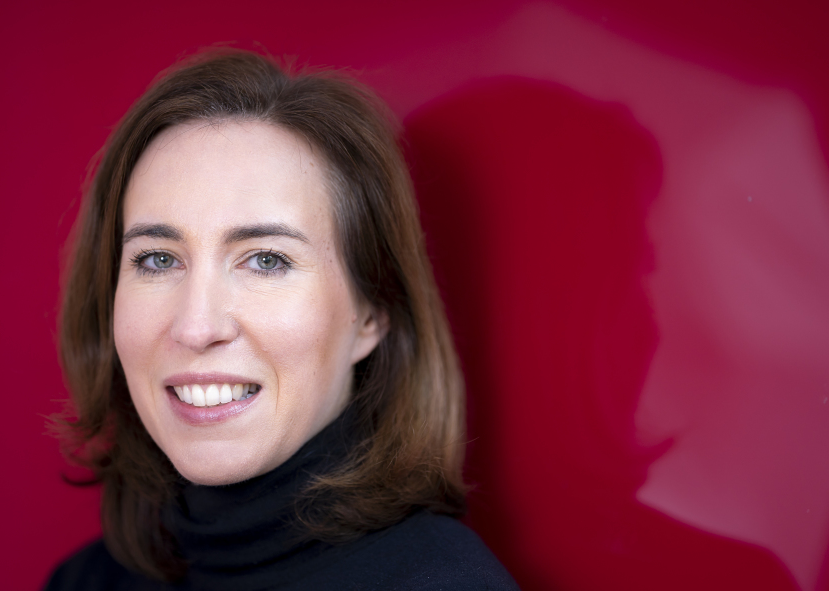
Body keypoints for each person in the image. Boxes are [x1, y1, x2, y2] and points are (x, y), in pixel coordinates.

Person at [45, 49, 519, 590]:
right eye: (157, 260)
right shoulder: (85, 581)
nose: (196, 327)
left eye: (267, 261)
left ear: (372, 313)